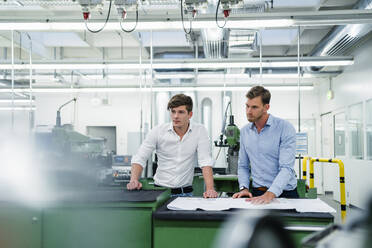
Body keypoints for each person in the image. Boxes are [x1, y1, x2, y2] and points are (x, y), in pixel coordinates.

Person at [127, 94, 218, 198]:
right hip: (160, 192)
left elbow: (205, 160)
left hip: (186, 193)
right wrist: (134, 180)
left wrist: (210, 189)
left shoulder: (199, 131)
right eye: (173, 111)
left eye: (181, 112)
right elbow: (140, 157)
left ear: (190, 114)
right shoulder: (157, 131)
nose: (176, 116)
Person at [232, 86, 298, 204]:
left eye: (254, 107)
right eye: (247, 106)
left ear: (266, 107)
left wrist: (270, 194)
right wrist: (244, 188)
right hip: (258, 192)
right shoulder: (245, 132)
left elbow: (286, 168)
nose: (249, 111)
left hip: (285, 193)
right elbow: (243, 166)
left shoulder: (284, 128)